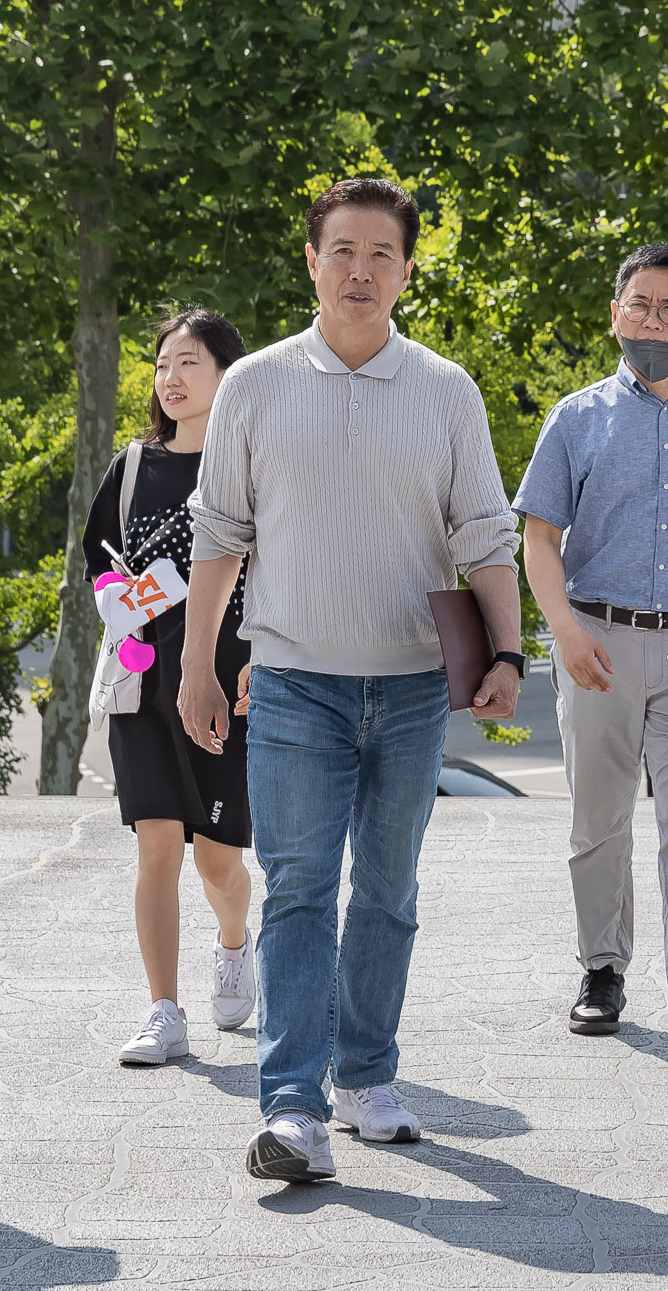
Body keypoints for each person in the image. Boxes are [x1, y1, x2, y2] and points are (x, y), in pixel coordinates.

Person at [179, 177, 525, 1185]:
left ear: (408, 270)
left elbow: (483, 535)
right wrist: (200, 664)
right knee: (294, 891)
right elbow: (219, 533)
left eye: (382, 254)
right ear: (311, 261)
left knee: (387, 892)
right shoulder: (254, 385)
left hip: (413, 684)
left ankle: (369, 1076)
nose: (361, 271)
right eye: (343, 251)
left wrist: (504, 653)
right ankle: (292, 1107)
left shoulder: (445, 389)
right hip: (291, 683)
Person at [514, 243, 668, 1060]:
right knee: (599, 820)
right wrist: (566, 629)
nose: (651, 320)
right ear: (615, 312)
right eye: (638, 305)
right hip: (599, 642)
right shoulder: (575, 417)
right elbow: (539, 538)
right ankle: (601, 970)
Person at [81, 308, 261, 1067]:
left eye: (189, 362)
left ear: (229, 374)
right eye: (162, 365)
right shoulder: (131, 464)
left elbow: (279, 570)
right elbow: (97, 553)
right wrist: (119, 596)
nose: (172, 377)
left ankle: (233, 943)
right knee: (156, 844)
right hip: (143, 681)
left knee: (217, 860)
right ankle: (163, 1008)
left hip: (230, 680)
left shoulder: (252, 465)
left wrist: (256, 657)